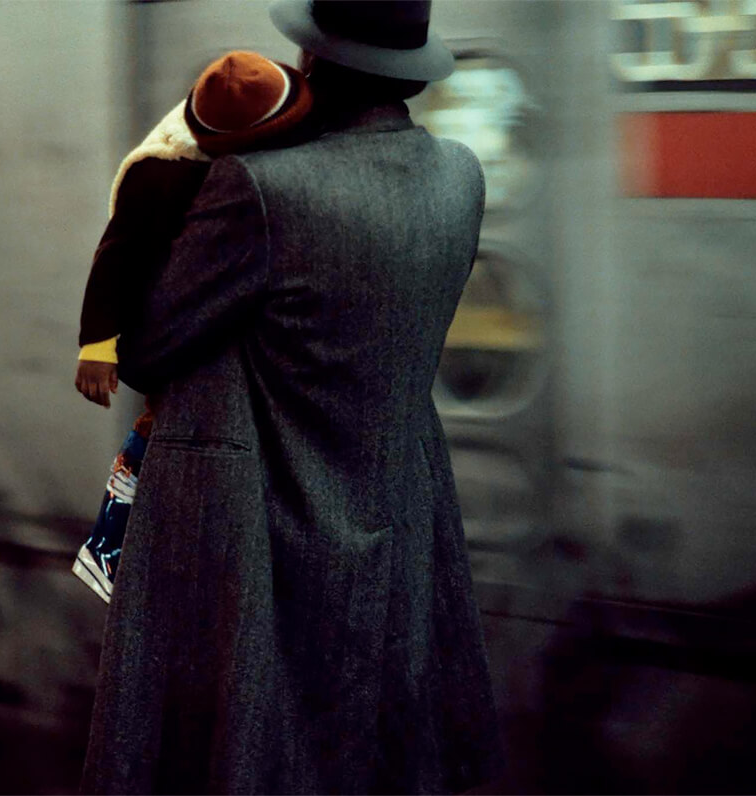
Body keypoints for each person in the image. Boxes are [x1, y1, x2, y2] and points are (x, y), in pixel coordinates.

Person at [80, 1, 504, 792]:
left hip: (262, 533)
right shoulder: (461, 178)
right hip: (403, 522)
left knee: (246, 751)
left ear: (312, 64)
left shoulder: (260, 188)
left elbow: (150, 349)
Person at [72, 51, 314, 603]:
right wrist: (99, 345)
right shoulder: (161, 171)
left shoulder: (265, 118)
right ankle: (116, 548)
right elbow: (117, 255)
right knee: (155, 426)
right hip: (169, 313)